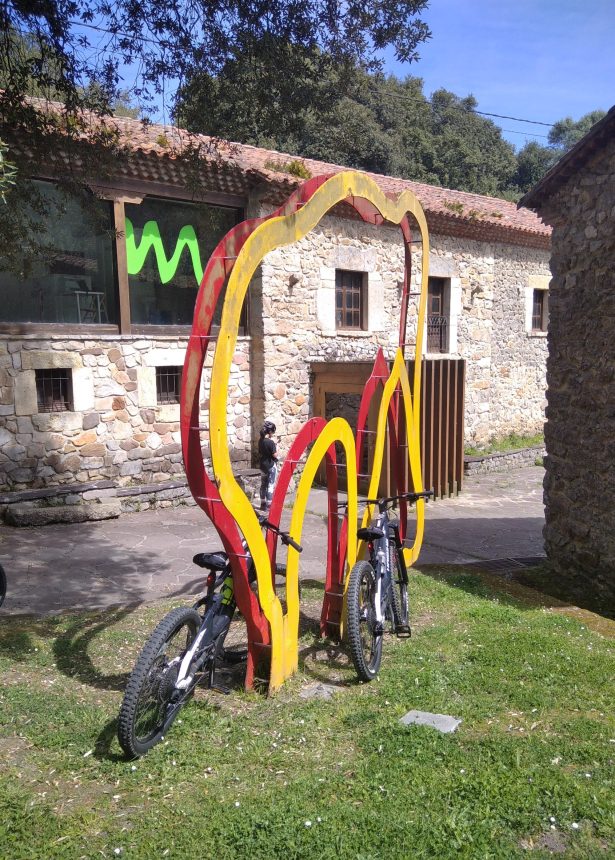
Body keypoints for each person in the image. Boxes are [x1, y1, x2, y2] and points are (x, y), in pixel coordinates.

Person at [258, 420, 278, 511]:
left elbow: (260, 452)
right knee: (270, 485)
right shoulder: (270, 442)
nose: (272, 434)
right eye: (273, 432)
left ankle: (263, 504)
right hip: (270, 465)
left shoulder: (260, 441)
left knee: (263, 484)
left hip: (262, 466)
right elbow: (274, 455)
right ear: (269, 431)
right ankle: (269, 506)